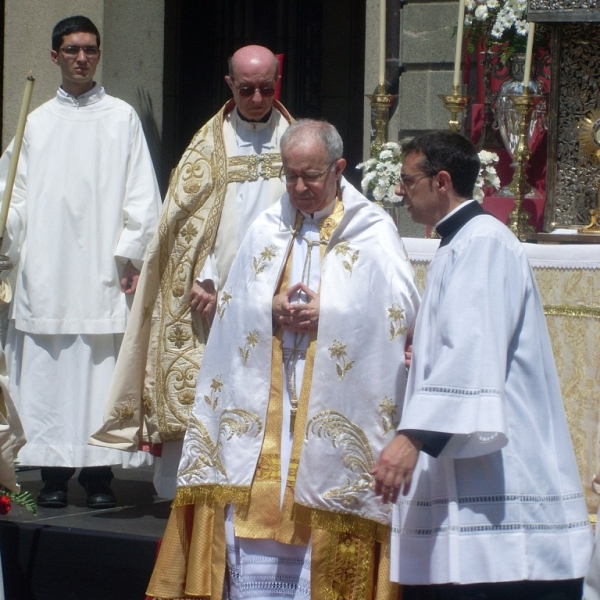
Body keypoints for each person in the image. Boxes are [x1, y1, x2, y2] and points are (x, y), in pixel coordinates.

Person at [144, 119, 420, 600]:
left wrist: (328, 315)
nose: (298, 187)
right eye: (290, 175)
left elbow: (400, 311)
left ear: (338, 169)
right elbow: (233, 300)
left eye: (311, 176)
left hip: (329, 411)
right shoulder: (270, 223)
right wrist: (265, 308)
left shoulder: (372, 227)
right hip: (267, 409)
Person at [372, 130, 593, 599]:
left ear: (442, 181)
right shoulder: (461, 242)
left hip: (505, 476)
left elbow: (472, 352)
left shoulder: (483, 243)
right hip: (467, 466)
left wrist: (412, 438)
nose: (400, 192)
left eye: (408, 181)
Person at [89, 45, 293, 499]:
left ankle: (268, 492)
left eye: (266, 88)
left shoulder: (297, 141)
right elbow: (183, 225)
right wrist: (203, 276)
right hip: (214, 297)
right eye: (246, 89)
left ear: (277, 81)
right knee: (211, 388)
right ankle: (195, 490)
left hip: (281, 292)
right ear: (229, 86)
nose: (257, 98)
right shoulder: (208, 145)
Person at [0, 15, 162, 509]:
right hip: (46, 272)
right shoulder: (36, 121)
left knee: (97, 377)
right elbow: (13, 195)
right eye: (71, 50)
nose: (81, 58)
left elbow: (142, 195)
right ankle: (51, 476)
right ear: (55, 56)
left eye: (89, 49)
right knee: (48, 378)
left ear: (98, 54)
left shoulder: (121, 118)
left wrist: (131, 253)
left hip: (99, 273)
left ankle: (97, 479)